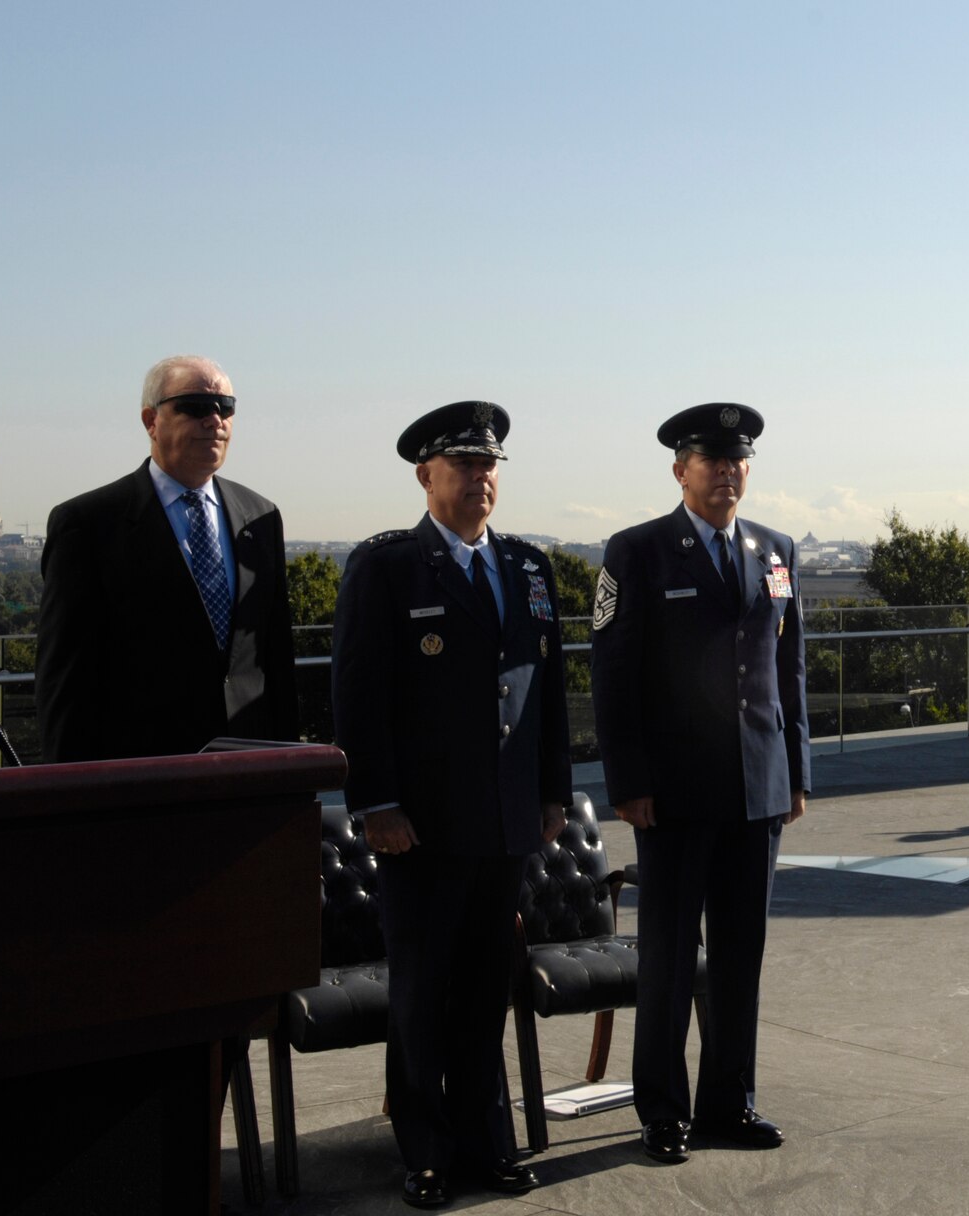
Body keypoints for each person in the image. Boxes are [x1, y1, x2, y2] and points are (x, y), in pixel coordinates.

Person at [332, 401, 571, 1210]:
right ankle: (425, 1150)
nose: (481, 478)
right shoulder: (388, 567)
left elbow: (549, 696)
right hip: (422, 826)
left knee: (482, 993)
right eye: (464, 465)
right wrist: (377, 804)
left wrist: (552, 794)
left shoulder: (529, 568)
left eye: (490, 465)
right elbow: (360, 698)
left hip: (505, 820)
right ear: (425, 475)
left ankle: (487, 1143)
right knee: (422, 995)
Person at [591, 402, 809, 1166]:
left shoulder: (774, 550)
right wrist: (630, 781)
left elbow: (789, 672)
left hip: (758, 790)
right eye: (709, 458)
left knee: (741, 955)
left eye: (736, 458)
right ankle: (662, 1109)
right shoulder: (640, 552)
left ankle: (730, 1102)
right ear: (679, 470)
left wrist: (797, 772)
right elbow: (613, 680)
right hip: (674, 795)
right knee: (670, 956)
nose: (725, 470)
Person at [36, 355, 296, 763]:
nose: (214, 420)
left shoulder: (261, 516)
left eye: (225, 408)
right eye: (194, 406)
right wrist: (70, 798)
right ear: (150, 421)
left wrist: (290, 768)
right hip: (142, 779)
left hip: (252, 768)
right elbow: (65, 681)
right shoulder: (88, 524)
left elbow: (275, 658)